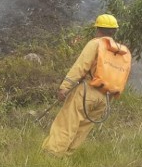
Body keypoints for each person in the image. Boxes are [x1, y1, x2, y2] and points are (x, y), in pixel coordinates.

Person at [42, 14, 130, 156]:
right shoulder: (122, 52)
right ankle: (66, 156)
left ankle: (52, 155)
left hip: (87, 91)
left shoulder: (96, 44)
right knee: (82, 129)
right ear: (114, 31)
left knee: (66, 124)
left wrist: (65, 87)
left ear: (98, 29)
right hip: (105, 98)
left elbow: (80, 67)